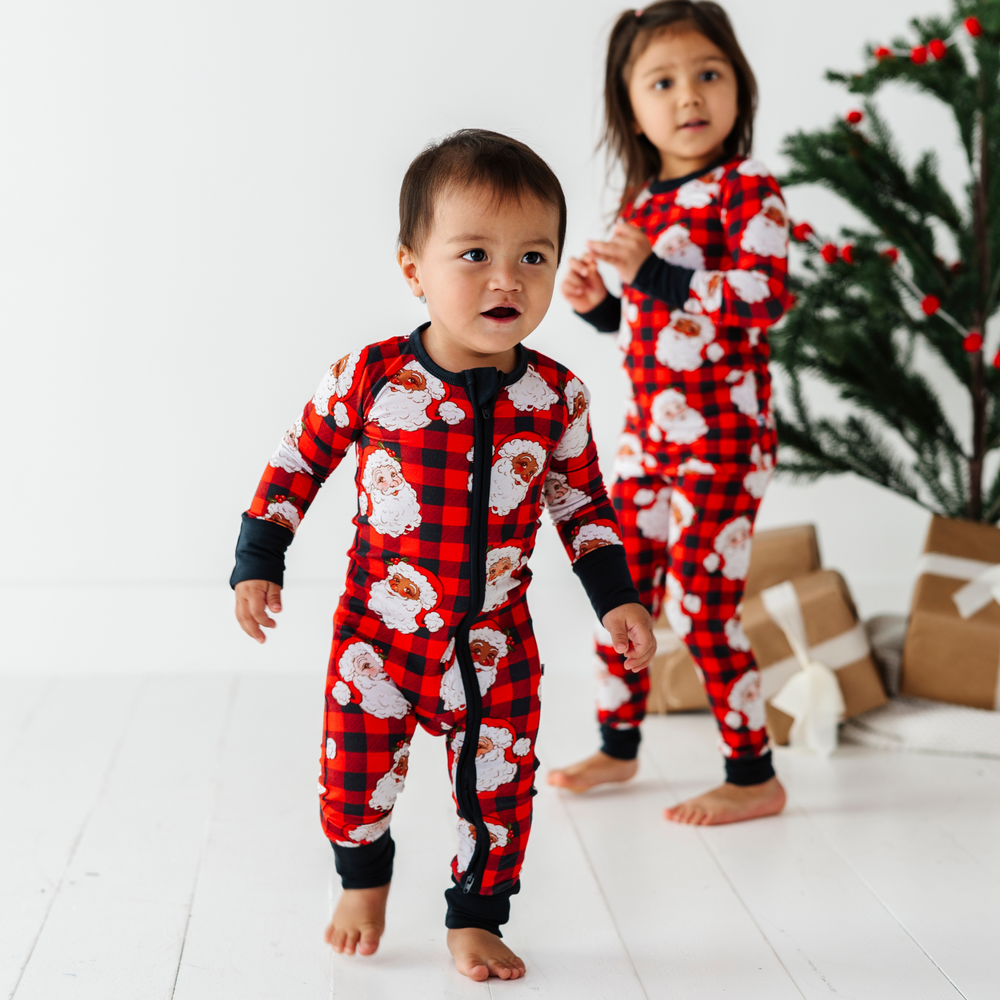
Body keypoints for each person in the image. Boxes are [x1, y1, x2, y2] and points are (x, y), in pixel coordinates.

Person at [230, 129, 655, 981]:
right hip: (378, 637)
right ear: (412, 267)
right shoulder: (373, 376)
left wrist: (618, 597)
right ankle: (362, 879)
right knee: (354, 773)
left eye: (535, 256)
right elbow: (297, 461)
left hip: (494, 641)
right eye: (475, 254)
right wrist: (260, 557)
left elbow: (581, 504)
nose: (508, 278)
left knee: (500, 791)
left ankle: (475, 915)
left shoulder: (557, 395)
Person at [549, 1, 790, 826]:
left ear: (738, 87)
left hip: (726, 443)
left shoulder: (748, 190)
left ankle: (753, 772)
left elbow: (761, 299)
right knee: (624, 592)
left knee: (704, 606)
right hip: (648, 444)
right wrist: (595, 308)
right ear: (634, 109)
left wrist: (652, 274)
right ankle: (620, 747)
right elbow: (651, 324)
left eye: (708, 74)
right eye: (664, 81)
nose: (689, 96)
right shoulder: (644, 205)